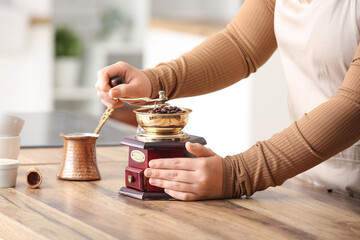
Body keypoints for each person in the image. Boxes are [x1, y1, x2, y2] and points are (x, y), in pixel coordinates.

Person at [96, 0, 360, 200]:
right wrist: (155, 81)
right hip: (310, 180)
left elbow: (354, 105)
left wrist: (238, 174)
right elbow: (242, 45)